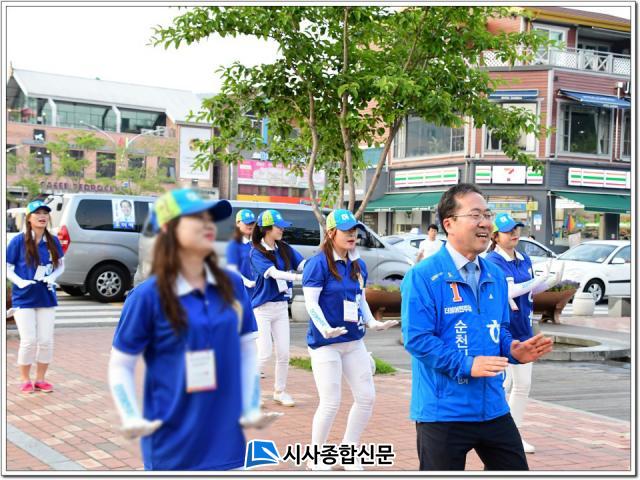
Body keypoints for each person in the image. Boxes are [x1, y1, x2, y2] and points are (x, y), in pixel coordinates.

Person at [108, 189, 279, 471]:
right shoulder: (146, 297)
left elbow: (248, 349)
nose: (208, 225)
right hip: (171, 443)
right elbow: (121, 365)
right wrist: (130, 416)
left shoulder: (232, 285)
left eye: (210, 219)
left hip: (226, 440)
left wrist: (250, 405)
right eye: (196, 219)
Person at [401, 183, 553, 471]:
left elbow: (499, 329)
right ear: (449, 223)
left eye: (487, 214)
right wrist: (467, 364)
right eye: (475, 215)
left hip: (492, 406)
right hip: (444, 412)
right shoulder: (423, 276)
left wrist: (513, 349)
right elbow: (418, 340)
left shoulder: (495, 274)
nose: (485, 223)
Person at [303, 209, 398, 470]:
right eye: (346, 231)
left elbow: (359, 299)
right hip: (325, 345)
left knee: (366, 397)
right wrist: (325, 328)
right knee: (330, 402)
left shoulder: (358, 264)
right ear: (331, 233)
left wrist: (372, 322)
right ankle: (315, 457)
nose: (352, 235)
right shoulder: (318, 263)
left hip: (354, 341)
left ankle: (348, 450)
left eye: (354, 230)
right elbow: (311, 303)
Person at [485, 213, 563, 454]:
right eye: (508, 231)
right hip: (503, 329)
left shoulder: (523, 258)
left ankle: (511, 434)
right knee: (507, 383)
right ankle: (500, 434)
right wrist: (534, 282)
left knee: (520, 384)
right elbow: (509, 291)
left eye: (516, 229)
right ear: (495, 236)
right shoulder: (492, 261)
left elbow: (529, 290)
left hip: (524, 328)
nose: (514, 234)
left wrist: (550, 281)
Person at [7, 200, 65, 394]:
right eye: (37, 213)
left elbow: (61, 265)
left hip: (46, 297)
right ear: (29, 218)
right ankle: (24, 379)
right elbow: (6, 267)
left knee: (46, 341)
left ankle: (40, 379)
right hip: (23, 298)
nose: (42, 216)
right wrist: (20, 281)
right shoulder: (18, 241)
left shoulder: (52, 240)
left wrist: (52, 277)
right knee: (29, 341)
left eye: (45, 213)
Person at [250, 209, 305, 407]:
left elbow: (302, 264)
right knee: (264, 352)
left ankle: (279, 392)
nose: (282, 229)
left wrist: (316, 267)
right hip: (262, 309)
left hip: (281, 308)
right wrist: (299, 278)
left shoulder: (284, 248)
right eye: (278, 226)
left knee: (283, 354)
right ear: (266, 229)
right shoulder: (256, 252)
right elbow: (274, 274)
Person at [226, 209, 257, 291]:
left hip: (258, 292)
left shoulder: (257, 243)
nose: (250, 225)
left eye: (252, 223)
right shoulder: (234, 245)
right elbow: (232, 270)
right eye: (247, 223)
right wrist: (248, 283)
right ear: (238, 223)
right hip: (242, 291)